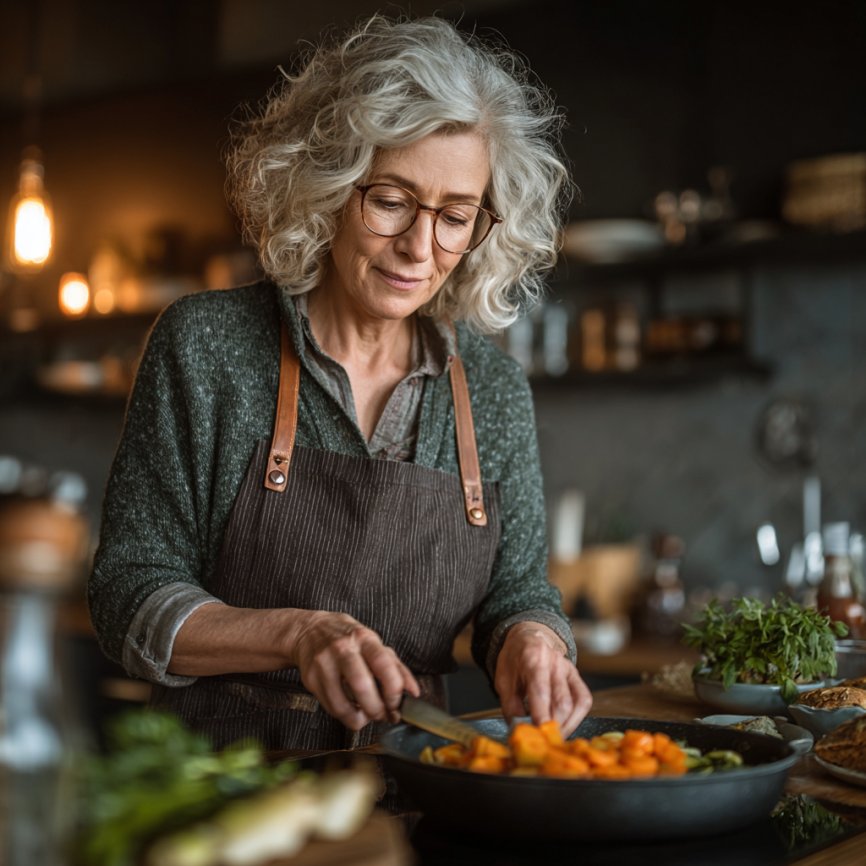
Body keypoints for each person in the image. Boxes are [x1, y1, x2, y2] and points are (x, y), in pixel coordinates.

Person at [88, 15, 592, 753]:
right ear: (325, 185)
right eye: (390, 201)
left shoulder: (493, 388)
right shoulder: (207, 344)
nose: (419, 247)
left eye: (455, 217)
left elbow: (517, 592)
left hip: (418, 781)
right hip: (226, 781)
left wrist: (534, 640)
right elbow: (127, 595)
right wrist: (299, 635)